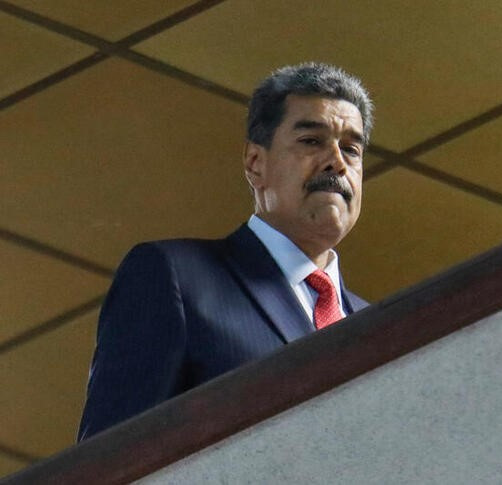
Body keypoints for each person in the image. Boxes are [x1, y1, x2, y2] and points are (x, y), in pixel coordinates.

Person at [77, 63, 374, 440]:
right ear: (255, 163)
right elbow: (110, 457)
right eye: (311, 141)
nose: (337, 161)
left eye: (351, 148)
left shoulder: (380, 324)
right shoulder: (178, 277)